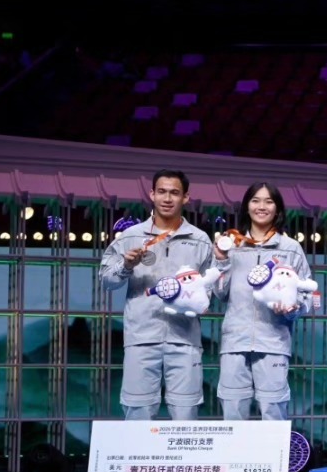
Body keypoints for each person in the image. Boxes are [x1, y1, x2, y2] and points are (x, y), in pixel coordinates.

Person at [99, 168, 220, 420]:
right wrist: (126, 265)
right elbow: (107, 281)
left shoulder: (200, 240)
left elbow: (210, 283)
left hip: (185, 338)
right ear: (152, 194)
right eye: (162, 192)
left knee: (186, 414)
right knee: (138, 413)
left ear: (185, 197)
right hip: (141, 337)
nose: (167, 198)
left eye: (174, 193)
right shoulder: (130, 237)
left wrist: (203, 300)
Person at [213, 182, 314, 421]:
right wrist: (222, 261)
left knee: (273, 412)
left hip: (273, 342)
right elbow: (219, 293)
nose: (262, 206)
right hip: (235, 341)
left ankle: (274, 449)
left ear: (277, 209)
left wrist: (293, 309)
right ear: (247, 207)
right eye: (255, 200)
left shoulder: (290, 248)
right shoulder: (232, 246)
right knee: (233, 413)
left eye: (269, 201)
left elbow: (307, 294)